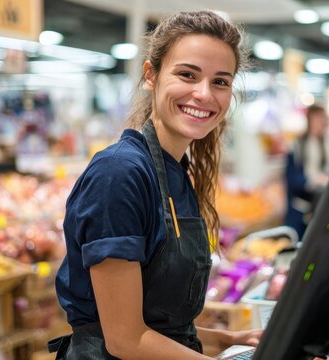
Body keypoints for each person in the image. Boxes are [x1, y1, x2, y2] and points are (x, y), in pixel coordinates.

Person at [51, 11, 262, 359]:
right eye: (187, 75)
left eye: (220, 82)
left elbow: (166, 333)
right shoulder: (118, 174)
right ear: (151, 75)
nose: (204, 94)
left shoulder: (174, 170)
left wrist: (235, 340)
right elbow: (125, 339)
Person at [284, 104, 329, 239]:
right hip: (300, 208)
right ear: (310, 120)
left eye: (323, 120)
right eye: (318, 119)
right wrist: (314, 180)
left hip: (321, 206)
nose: (321, 124)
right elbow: (292, 179)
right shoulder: (297, 146)